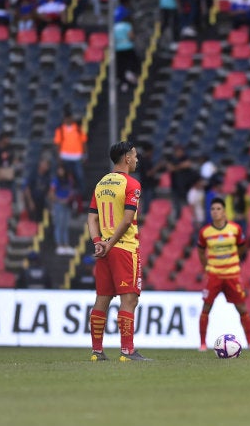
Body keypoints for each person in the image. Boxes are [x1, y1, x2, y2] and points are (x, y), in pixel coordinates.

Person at [87, 141, 149, 361]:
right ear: (127, 158)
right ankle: (127, 351)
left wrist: (98, 242)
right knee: (129, 300)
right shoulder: (132, 184)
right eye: (135, 155)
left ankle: (96, 351)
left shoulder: (101, 183)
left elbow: (92, 217)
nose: (137, 159)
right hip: (123, 249)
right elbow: (128, 219)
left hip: (104, 248)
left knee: (102, 299)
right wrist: (112, 243)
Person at [197, 197, 250, 352]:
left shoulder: (235, 229)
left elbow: (242, 247)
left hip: (232, 274)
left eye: (218, 209)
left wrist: (233, 260)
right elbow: (200, 251)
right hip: (214, 274)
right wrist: (207, 267)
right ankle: (202, 344)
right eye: (212, 209)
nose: (215, 212)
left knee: (242, 308)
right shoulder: (205, 232)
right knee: (206, 307)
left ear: (224, 211)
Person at [53, 110, 87, 200]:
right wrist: (58, 156)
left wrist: (85, 154)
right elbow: (57, 144)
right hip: (65, 157)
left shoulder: (78, 129)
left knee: (80, 176)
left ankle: (82, 195)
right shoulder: (60, 130)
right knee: (66, 177)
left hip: (77, 157)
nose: (68, 120)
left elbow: (84, 142)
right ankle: (67, 193)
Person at [50, 163, 75, 255]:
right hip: (59, 204)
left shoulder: (68, 180)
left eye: (61, 170)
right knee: (59, 224)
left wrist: (68, 199)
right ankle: (59, 244)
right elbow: (52, 192)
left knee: (65, 225)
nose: (60, 172)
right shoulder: (56, 180)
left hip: (67, 204)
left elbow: (71, 190)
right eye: (59, 170)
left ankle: (65, 244)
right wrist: (59, 200)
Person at [136, 141, 165, 218]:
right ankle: (146, 221)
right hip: (147, 186)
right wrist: (158, 167)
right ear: (148, 151)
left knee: (150, 205)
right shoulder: (144, 160)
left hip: (148, 185)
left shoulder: (145, 159)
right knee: (147, 206)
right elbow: (148, 174)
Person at [168, 144, 195, 220]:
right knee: (177, 206)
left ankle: (189, 219)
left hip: (186, 186)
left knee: (187, 204)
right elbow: (170, 168)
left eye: (179, 151)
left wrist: (176, 167)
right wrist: (180, 166)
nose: (178, 152)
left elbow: (187, 164)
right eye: (177, 151)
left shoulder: (185, 158)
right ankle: (178, 219)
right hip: (175, 186)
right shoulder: (173, 159)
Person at [113, 14, 139, 92]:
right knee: (133, 61)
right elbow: (131, 36)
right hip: (128, 47)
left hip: (118, 48)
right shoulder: (127, 25)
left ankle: (123, 83)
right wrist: (133, 38)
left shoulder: (115, 27)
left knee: (120, 65)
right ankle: (130, 73)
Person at [23, 157, 52, 222]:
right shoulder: (33, 174)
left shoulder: (47, 177)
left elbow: (48, 191)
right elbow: (27, 189)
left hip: (41, 203)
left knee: (41, 221)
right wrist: (30, 202)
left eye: (47, 165)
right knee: (32, 220)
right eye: (45, 164)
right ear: (40, 164)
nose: (46, 167)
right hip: (32, 200)